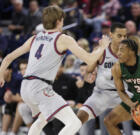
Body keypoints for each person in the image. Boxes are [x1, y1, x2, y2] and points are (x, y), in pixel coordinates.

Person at [0, 5, 110, 135]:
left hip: (25, 87)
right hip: (40, 87)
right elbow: (90, 59)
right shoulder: (63, 39)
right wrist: (102, 47)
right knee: (74, 123)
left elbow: (8, 57)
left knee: (42, 119)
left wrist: (1, 75)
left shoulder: (35, 38)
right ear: (59, 21)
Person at [77, 23, 133, 135]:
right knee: (79, 118)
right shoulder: (102, 50)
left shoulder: (130, 52)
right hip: (101, 94)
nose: (123, 39)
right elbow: (88, 70)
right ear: (111, 35)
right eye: (119, 36)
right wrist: (90, 75)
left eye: (125, 36)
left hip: (122, 95)